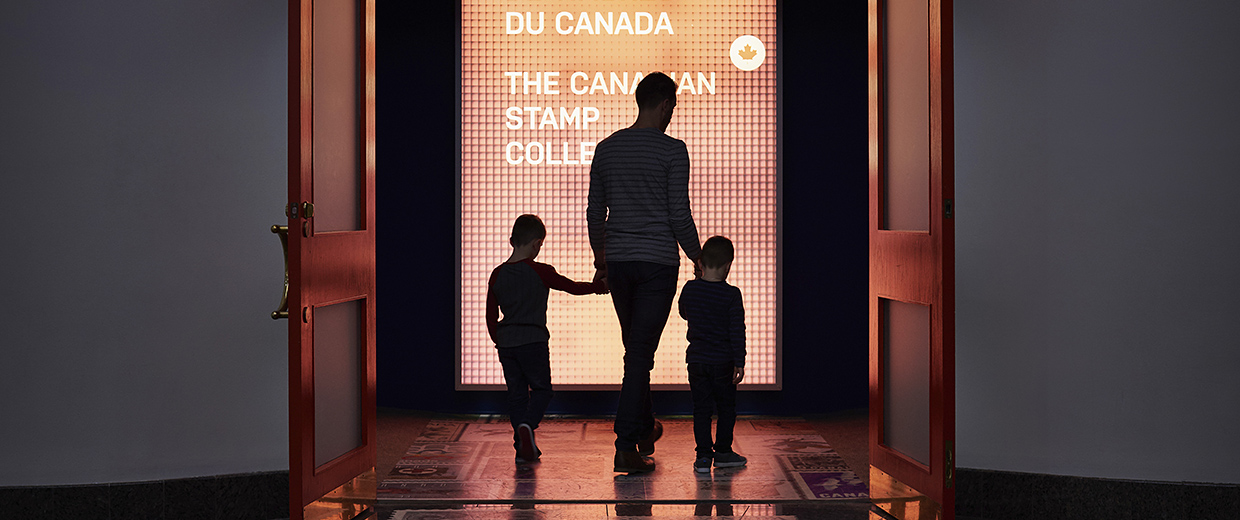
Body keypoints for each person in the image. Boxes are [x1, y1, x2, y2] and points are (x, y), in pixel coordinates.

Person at [587, 72, 702, 473]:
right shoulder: (673, 151)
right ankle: (624, 444)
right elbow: (678, 214)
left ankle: (642, 429)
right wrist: (698, 257)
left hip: (618, 262)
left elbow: (594, 213)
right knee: (639, 353)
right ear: (666, 104)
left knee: (636, 349)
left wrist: (601, 261)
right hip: (657, 264)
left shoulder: (606, 148)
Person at [486, 214, 608, 464]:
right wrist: (597, 286)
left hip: (507, 343)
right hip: (534, 340)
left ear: (512, 240)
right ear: (536, 244)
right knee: (542, 391)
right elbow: (571, 287)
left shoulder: (497, 274)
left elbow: (490, 314)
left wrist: (498, 338)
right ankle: (528, 427)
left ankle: (522, 447)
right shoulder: (541, 271)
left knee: (517, 395)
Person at [677, 236, 748, 473]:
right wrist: (739, 361)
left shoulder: (690, 288)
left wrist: (697, 281)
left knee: (701, 409)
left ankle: (704, 457)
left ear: (700, 263)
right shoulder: (731, 295)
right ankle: (724, 452)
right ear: (728, 265)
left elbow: (684, 314)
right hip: (723, 361)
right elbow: (737, 330)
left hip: (696, 360)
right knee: (726, 408)